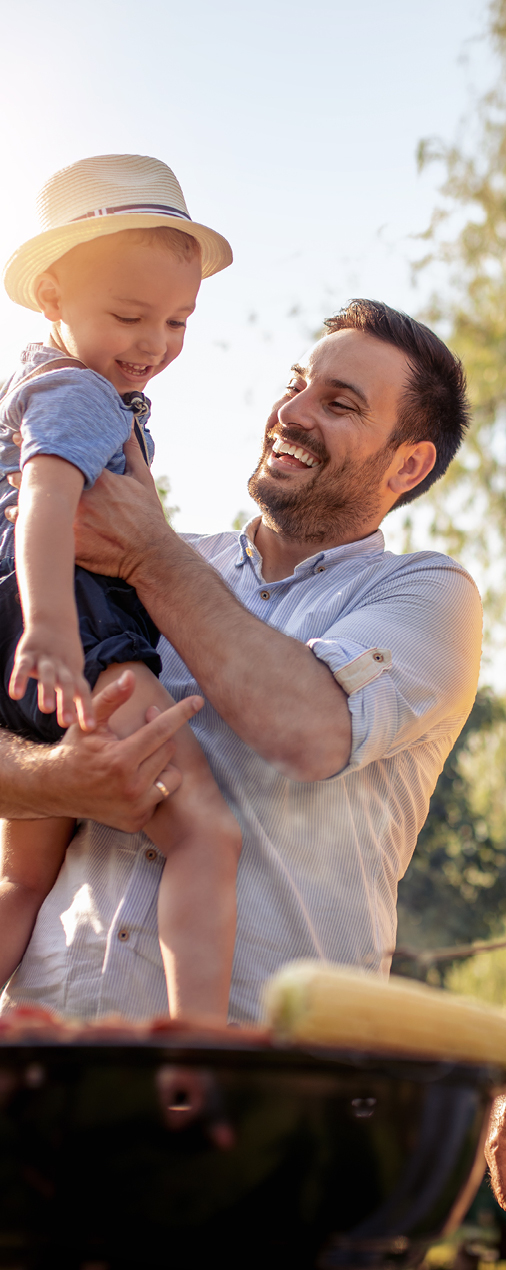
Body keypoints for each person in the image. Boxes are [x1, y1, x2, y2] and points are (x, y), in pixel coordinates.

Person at [0, 296, 482, 1027]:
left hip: (265, 1092)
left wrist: (146, 552)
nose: (292, 412)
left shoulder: (428, 595)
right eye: (296, 384)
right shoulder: (152, 558)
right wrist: (54, 779)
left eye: (340, 404)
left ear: (408, 464)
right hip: (54, 1057)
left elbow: (310, 731)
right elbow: (21, 709)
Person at [0, 153, 242, 1023]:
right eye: (131, 316)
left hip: (22, 631)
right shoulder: (79, 393)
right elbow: (47, 507)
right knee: (205, 836)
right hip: (73, 618)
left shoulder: (31, 383)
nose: (153, 345)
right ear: (53, 297)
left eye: (177, 321)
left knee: (23, 880)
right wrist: (56, 632)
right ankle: (200, 1043)